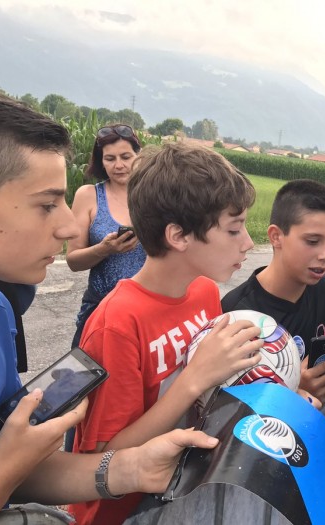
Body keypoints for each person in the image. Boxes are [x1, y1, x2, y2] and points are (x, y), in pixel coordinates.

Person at [0, 81, 226, 525]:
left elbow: (21, 468)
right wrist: (4, 472)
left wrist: (131, 467)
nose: (70, 226)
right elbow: (5, 469)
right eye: (47, 205)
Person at [70, 141, 265, 525]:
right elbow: (106, 454)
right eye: (234, 229)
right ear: (178, 236)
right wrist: (192, 382)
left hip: (181, 501)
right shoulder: (118, 323)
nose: (248, 243)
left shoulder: (205, 290)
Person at [221, 179, 325, 405]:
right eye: (312, 241)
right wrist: (295, 389)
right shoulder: (237, 312)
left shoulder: (323, 291)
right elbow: (229, 408)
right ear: (276, 236)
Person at [67, 124, 146, 349]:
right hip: (100, 308)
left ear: (139, 156)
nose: (118, 165)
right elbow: (73, 260)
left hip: (147, 310)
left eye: (125, 156)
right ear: (100, 161)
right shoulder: (89, 195)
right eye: (110, 158)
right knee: (84, 379)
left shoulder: (155, 194)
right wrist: (104, 249)